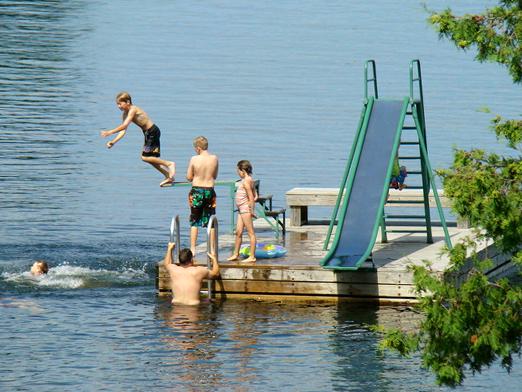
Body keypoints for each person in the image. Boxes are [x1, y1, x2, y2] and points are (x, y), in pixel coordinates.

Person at [100, 92, 176, 187]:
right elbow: (123, 130)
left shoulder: (133, 109)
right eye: (117, 104)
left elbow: (124, 125)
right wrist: (113, 141)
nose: (118, 106)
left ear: (127, 102)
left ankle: (169, 164)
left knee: (145, 157)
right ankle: (168, 175)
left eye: (120, 104)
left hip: (152, 131)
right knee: (150, 159)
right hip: (148, 134)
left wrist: (109, 132)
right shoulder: (125, 114)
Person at [186, 136, 219, 255]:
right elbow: (214, 176)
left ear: (198, 148)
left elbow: (189, 177)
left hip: (197, 191)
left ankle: (193, 249)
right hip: (209, 190)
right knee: (210, 220)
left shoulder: (194, 159)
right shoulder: (214, 158)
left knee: (194, 220)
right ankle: (212, 249)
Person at [227, 160, 258, 263]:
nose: (237, 172)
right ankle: (236, 253)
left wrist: (251, 210)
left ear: (243, 170)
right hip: (241, 209)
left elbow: (251, 197)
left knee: (251, 233)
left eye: (238, 170)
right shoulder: (248, 179)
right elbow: (256, 195)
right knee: (238, 232)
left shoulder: (246, 181)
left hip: (245, 209)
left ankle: (252, 256)